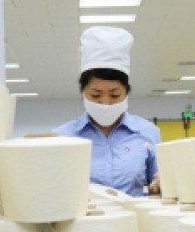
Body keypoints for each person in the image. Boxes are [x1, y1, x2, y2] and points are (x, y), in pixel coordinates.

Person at [53, 26, 161, 197]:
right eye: (95, 95)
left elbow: (159, 181)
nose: (105, 102)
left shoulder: (148, 132)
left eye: (115, 94)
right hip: (84, 222)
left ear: (127, 92)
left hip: (133, 220)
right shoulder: (62, 137)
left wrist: (161, 183)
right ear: (83, 92)